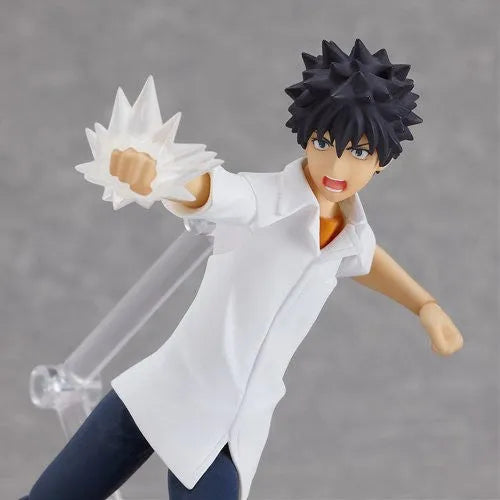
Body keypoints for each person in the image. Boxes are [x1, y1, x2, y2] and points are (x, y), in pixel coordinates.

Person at [21, 39, 463, 500]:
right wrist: (159, 174)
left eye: (359, 152)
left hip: (230, 427)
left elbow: (364, 257)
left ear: (382, 162)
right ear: (306, 137)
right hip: (161, 391)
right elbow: (213, 191)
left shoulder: (349, 230)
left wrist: (424, 305)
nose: (336, 165)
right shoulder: (261, 200)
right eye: (324, 142)